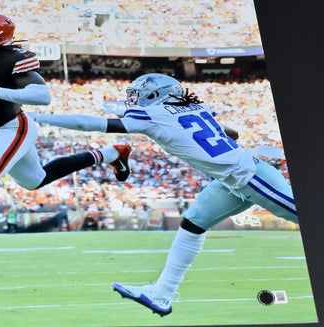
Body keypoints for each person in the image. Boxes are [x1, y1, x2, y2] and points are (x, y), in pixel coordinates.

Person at [30, 73, 297, 316]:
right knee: (193, 222)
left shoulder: (156, 114)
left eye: (138, 94)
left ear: (156, 94)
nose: (133, 99)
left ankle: (163, 292)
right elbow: (232, 133)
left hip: (250, 177)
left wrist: (40, 118)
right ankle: (162, 293)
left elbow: (91, 124)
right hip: (232, 179)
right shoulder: (197, 107)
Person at [0, 12, 132, 302]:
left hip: (13, 127)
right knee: (35, 179)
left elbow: (43, 96)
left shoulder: (13, 58)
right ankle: (111, 153)